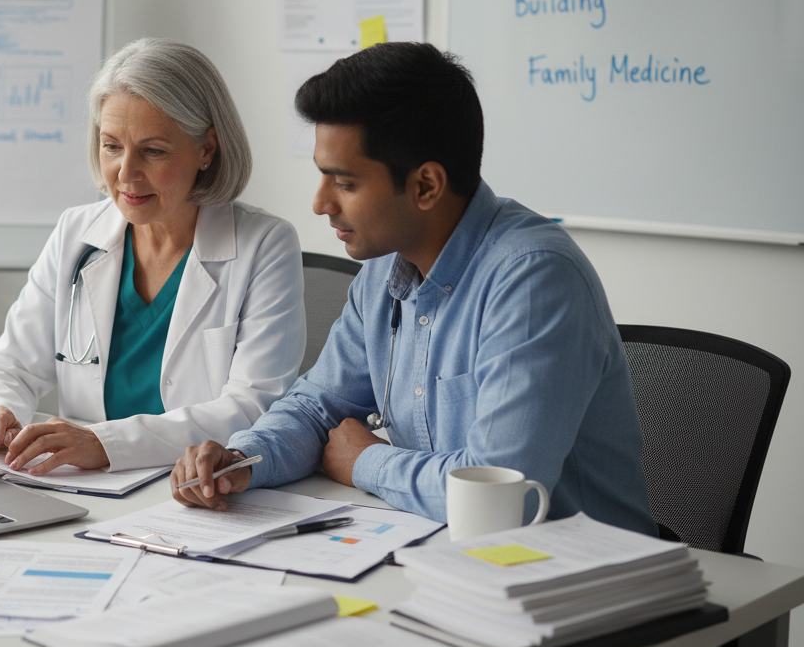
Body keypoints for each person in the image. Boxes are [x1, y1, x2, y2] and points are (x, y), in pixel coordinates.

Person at [171, 42, 656, 535]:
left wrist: (368, 461)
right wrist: (243, 459)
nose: (320, 204)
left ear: (426, 185)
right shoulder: (385, 268)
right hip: (439, 552)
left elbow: (501, 494)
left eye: (344, 183)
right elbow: (318, 407)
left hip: (577, 579)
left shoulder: (534, 280)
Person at [0, 38, 305, 477]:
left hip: (195, 491)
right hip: (86, 489)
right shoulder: (76, 234)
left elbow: (252, 408)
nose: (125, 173)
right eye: (111, 146)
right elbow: (11, 364)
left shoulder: (265, 245)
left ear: (207, 149)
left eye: (153, 151)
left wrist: (105, 443)